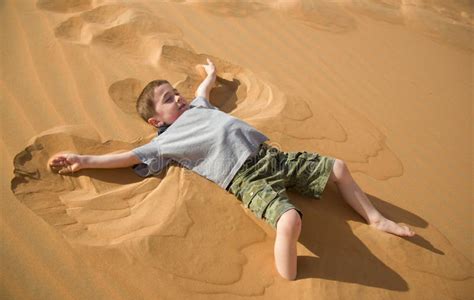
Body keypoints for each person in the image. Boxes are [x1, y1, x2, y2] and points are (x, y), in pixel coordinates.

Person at [49, 58, 415, 281]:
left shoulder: (198, 107)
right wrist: (83, 161)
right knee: (290, 222)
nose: (177, 97)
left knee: (338, 166)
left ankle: (376, 218)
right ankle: (291, 282)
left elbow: (204, 90)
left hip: (273, 157)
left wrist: (210, 74)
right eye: (167, 99)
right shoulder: (166, 140)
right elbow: (129, 157)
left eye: (175, 91)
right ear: (155, 119)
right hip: (245, 178)